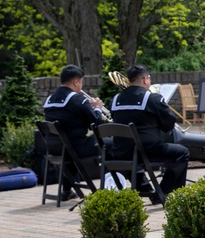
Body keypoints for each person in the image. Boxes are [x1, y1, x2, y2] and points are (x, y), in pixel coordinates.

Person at [109, 64, 189, 204]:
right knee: (182, 153)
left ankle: (147, 189)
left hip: (120, 152)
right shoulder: (152, 99)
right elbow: (169, 125)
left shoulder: (115, 100)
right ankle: (163, 192)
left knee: (131, 151)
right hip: (146, 151)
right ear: (145, 79)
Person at [42, 64, 106, 198]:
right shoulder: (78, 100)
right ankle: (114, 187)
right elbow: (96, 125)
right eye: (81, 82)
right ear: (76, 81)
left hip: (55, 149)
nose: (81, 85)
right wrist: (98, 108)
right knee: (113, 145)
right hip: (75, 149)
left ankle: (66, 191)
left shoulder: (49, 100)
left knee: (71, 144)